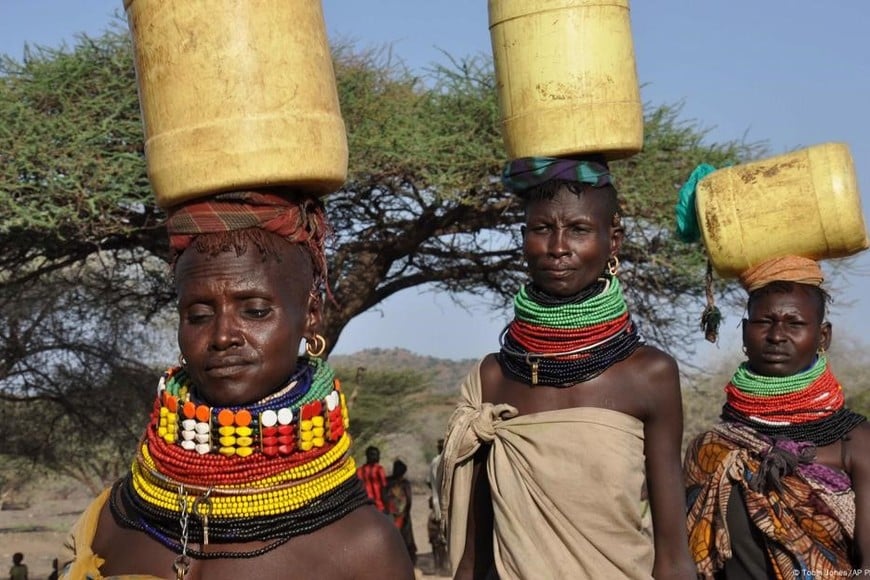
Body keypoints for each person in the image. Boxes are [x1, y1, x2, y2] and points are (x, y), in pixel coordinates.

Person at [59, 191, 415, 579]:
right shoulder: (112, 517)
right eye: (197, 315)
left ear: (312, 315)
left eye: (256, 310)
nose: (223, 335)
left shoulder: (363, 548)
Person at [440, 157, 696, 579]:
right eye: (542, 229)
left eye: (578, 229)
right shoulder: (494, 378)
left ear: (613, 241)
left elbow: (673, 556)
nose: (558, 247)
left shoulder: (650, 375)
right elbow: (476, 557)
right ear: (524, 239)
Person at [684, 255, 870, 578]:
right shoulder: (712, 449)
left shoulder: (855, 441)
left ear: (823, 336)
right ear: (744, 333)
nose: (777, 335)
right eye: (763, 322)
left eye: (795, 323)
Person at [385, 458, 417, 566]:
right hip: (402, 515)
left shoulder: (387, 481)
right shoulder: (404, 483)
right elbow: (409, 499)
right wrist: (406, 512)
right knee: (405, 539)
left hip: (389, 515)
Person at [427, 439, 449, 576]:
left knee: (438, 537)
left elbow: (429, 482)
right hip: (446, 504)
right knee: (443, 536)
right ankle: (444, 566)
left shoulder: (435, 461)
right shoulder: (446, 460)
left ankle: (439, 566)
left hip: (437, 505)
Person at [357, 445, 388, 512]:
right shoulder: (379, 469)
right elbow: (384, 488)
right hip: (378, 505)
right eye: (375, 455)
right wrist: (386, 505)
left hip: (365, 504)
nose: (377, 457)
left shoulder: (359, 470)